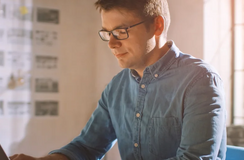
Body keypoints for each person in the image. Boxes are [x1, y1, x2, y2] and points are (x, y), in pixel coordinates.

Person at [10, 0, 226, 159]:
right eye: (107, 33)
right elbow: (87, 147)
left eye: (121, 31)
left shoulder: (200, 81)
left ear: (157, 26)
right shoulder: (117, 87)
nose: (111, 44)